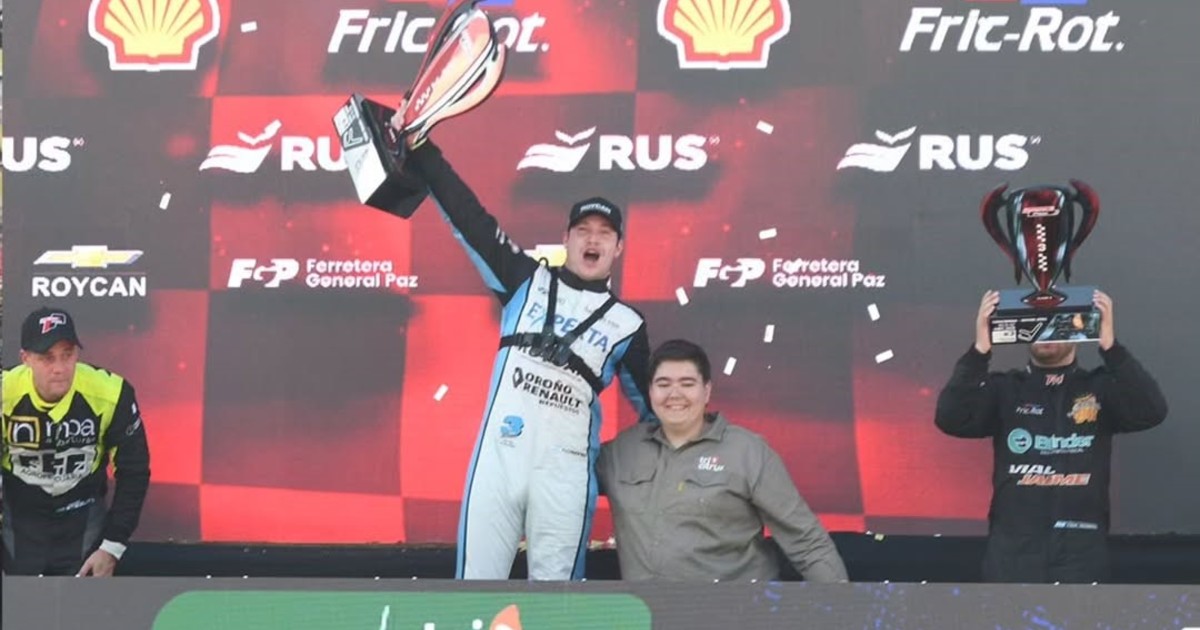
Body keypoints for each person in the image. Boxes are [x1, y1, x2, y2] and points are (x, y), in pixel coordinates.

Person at [390, 123, 654, 580]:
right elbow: (470, 218)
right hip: (499, 460)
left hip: (566, 473)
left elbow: (660, 413)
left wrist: (612, 464)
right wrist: (423, 150)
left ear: (619, 247)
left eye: (604, 233)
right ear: (566, 238)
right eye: (583, 230)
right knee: (475, 591)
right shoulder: (525, 280)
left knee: (555, 605)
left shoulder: (628, 324)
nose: (593, 240)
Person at [935, 289, 1167, 583]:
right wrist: (979, 351)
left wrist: (1111, 347)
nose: (1046, 332)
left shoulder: (1099, 388)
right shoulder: (1005, 389)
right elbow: (951, 418)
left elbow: (1151, 411)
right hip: (1013, 556)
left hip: (1082, 553)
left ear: (1078, 330)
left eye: (1057, 323)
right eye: (1036, 323)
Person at [596, 339, 848, 582]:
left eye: (687, 383)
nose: (674, 394)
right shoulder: (622, 451)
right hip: (647, 608)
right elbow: (572, 478)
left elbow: (808, 544)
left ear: (706, 391)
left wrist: (842, 606)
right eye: (663, 384)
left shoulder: (747, 451)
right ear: (650, 392)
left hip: (738, 606)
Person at [1, 307, 151, 576]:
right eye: (47, 358)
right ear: (26, 359)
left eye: (67, 354)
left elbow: (134, 471)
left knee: (82, 601)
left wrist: (112, 546)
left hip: (83, 520)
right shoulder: (5, 392)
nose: (59, 368)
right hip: (19, 521)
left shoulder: (112, 392)